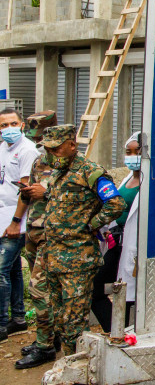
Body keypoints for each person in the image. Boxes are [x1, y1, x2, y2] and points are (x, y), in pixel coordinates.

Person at [39, 124, 126, 355]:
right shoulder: (58, 172)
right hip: (54, 258)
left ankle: (80, 364)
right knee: (60, 319)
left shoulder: (90, 172)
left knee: (74, 324)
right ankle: (69, 362)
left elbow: (116, 204)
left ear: (71, 145)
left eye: (56, 149)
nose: (51, 154)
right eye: (48, 150)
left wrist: (91, 224)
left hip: (77, 260)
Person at [15, 110, 60, 369]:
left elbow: (79, 198)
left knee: (39, 289)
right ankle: (49, 337)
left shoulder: (72, 164)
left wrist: (48, 192)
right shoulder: (39, 161)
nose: (41, 144)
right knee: (43, 291)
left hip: (52, 235)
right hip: (33, 230)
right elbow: (30, 192)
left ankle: (45, 347)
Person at [92, 131, 142, 331]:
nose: (132, 156)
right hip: (118, 244)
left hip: (135, 246)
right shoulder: (128, 178)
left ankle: (124, 334)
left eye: (137, 152)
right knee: (95, 290)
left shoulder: (150, 181)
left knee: (129, 294)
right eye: (128, 152)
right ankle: (115, 330)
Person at [0, 108, 39, 343]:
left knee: (1, 270)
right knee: (13, 270)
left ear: (22, 125)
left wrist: (16, 222)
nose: (9, 129)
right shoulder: (3, 149)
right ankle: (18, 318)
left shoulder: (27, 150)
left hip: (18, 221)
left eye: (13, 124)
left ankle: (1, 324)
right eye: (4, 125)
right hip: (3, 217)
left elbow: (26, 191)